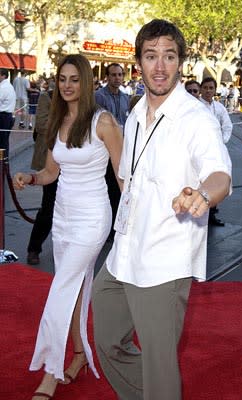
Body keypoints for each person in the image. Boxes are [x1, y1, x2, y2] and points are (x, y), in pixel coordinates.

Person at [92, 19, 231, 400]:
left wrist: (203, 193)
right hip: (124, 251)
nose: (159, 66)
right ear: (139, 62)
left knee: (159, 365)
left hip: (164, 260)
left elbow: (220, 174)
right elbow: (128, 177)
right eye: (151, 56)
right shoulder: (136, 113)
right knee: (108, 340)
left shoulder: (196, 118)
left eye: (168, 56)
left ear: (180, 62)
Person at [13, 54, 123, 400]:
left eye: (74, 79)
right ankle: (78, 354)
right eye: (62, 79)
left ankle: (50, 371)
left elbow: (124, 178)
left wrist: (132, 224)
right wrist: (30, 178)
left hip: (92, 219)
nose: (67, 85)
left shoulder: (103, 122)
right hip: (62, 217)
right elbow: (51, 173)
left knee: (61, 288)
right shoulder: (58, 121)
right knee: (73, 287)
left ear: (86, 82)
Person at [95, 63, 130, 241]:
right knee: (107, 190)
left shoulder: (125, 98)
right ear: (107, 77)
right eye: (114, 75)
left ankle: (116, 228)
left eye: (120, 74)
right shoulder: (99, 97)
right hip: (103, 151)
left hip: (121, 150)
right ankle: (105, 229)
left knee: (119, 189)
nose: (117, 78)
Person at [26, 83, 56, 266]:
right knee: (48, 207)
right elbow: (42, 124)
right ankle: (34, 248)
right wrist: (68, 123)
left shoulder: (84, 99)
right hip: (51, 159)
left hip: (74, 162)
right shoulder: (48, 97)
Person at [200, 76, 233, 226]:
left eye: (211, 88)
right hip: (199, 149)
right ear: (201, 89)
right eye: (205, 87)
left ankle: (212, 214)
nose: (208, 91)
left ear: (215, 90)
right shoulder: (194, 106)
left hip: (215, 151)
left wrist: (222, 141)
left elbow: (227, 126)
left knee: (214, 181)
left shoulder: (219, 107)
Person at [0, 68, 16, 158]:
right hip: (7, 116)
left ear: (3, 76)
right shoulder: (8, 86)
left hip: (3, 117)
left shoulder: (3, 87)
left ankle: (2, 166)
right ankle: (4, 166)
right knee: (4, 143)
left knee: (2, 144)